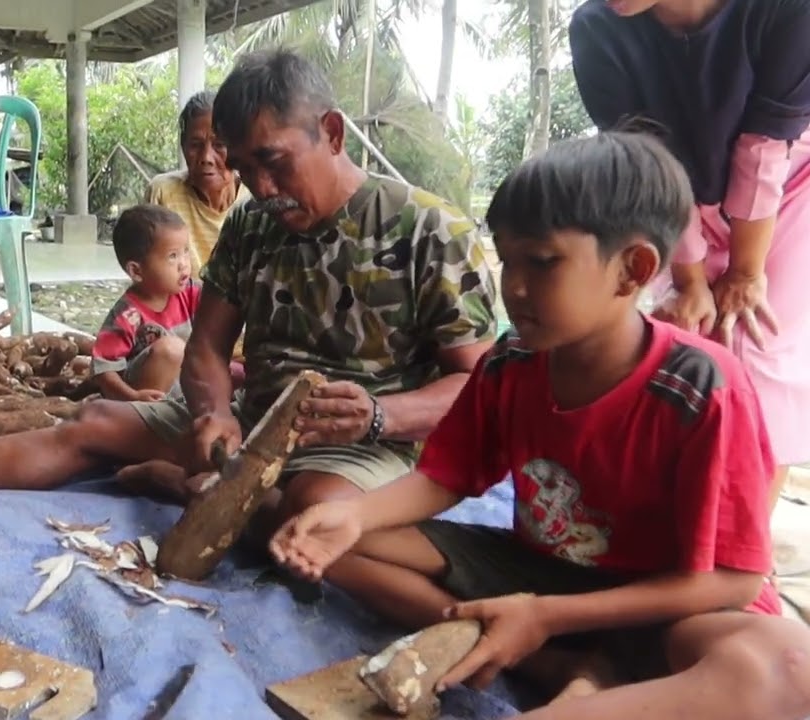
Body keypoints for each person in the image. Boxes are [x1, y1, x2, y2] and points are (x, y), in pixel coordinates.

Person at [0, 49, 497, 541]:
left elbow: (482, 388)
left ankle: (183, 484)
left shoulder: (429, 230)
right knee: (94, 424)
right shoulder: (255, 225)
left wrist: (377, 415)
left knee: (311, 508)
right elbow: (205, 350)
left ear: (333, 133)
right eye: (245, 167)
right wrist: (213, 413)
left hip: (360, 444)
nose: (260, 187)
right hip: (256, 420)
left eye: (275, 162)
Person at [269, 131, 810, 720]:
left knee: (784, 669)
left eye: (543, 262)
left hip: (666, 603)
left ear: (633, 270)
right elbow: (447, 476)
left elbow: (733, 582)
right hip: (550, 573)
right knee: (330, 541)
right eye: (507, 259)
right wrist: (353, 515)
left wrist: (546, 614)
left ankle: (574, 674)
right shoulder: (512, 361)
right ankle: (561, 668)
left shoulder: (702, 388)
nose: (515, 285)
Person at [569, 0, 810, 506]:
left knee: (757, 342)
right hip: (673, 197)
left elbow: (765, 146)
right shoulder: (596, 29)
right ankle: (677, 529)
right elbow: (648, 161)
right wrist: (690, 281)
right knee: (687, 341)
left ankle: (745, 554)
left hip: (787, 186)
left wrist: (746, 271)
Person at [91, 204, 200, 402]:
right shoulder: (127, 314)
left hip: (183, 389)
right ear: (136, 271)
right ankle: (144, 418)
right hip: (140, 396)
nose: (184, 263)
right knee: (172, 350)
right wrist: (132, 396)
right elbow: (103, 369)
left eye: (185, 251)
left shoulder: (191, 292)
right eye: (172, 256)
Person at [145, 90, 250, 275]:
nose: (206, 158)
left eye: (219, 145)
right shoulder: (164, 193)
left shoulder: (254, 199)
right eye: (195, 145)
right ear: (183, 147)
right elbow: (150, 274)